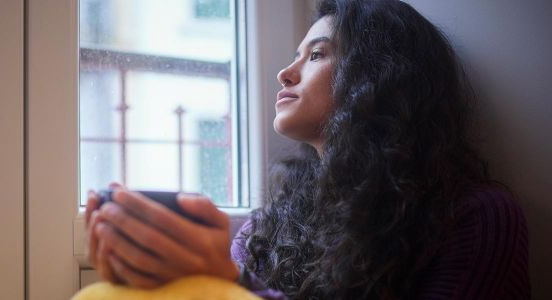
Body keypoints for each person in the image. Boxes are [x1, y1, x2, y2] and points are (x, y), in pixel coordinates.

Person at [84, 0, 530, 299]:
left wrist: (230, 281)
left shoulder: (476, 217)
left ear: (376, 78)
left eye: (316, 55)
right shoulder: (268, 225)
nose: (285, 72)